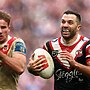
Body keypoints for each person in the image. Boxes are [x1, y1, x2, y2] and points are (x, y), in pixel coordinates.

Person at [27, 10, 90, 90]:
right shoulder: (49, 46)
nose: (65, 25)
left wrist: (75, 64)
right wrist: (31, 68)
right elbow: (42, 71)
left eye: (70, 22)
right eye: (63, 22)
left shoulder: (87, 45)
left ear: (78, 27)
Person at [0, 10, 26, 90]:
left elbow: (20, 68)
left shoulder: (16, 43)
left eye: (3, 27)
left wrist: (1, 56)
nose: (0, 31)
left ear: (9, 28)